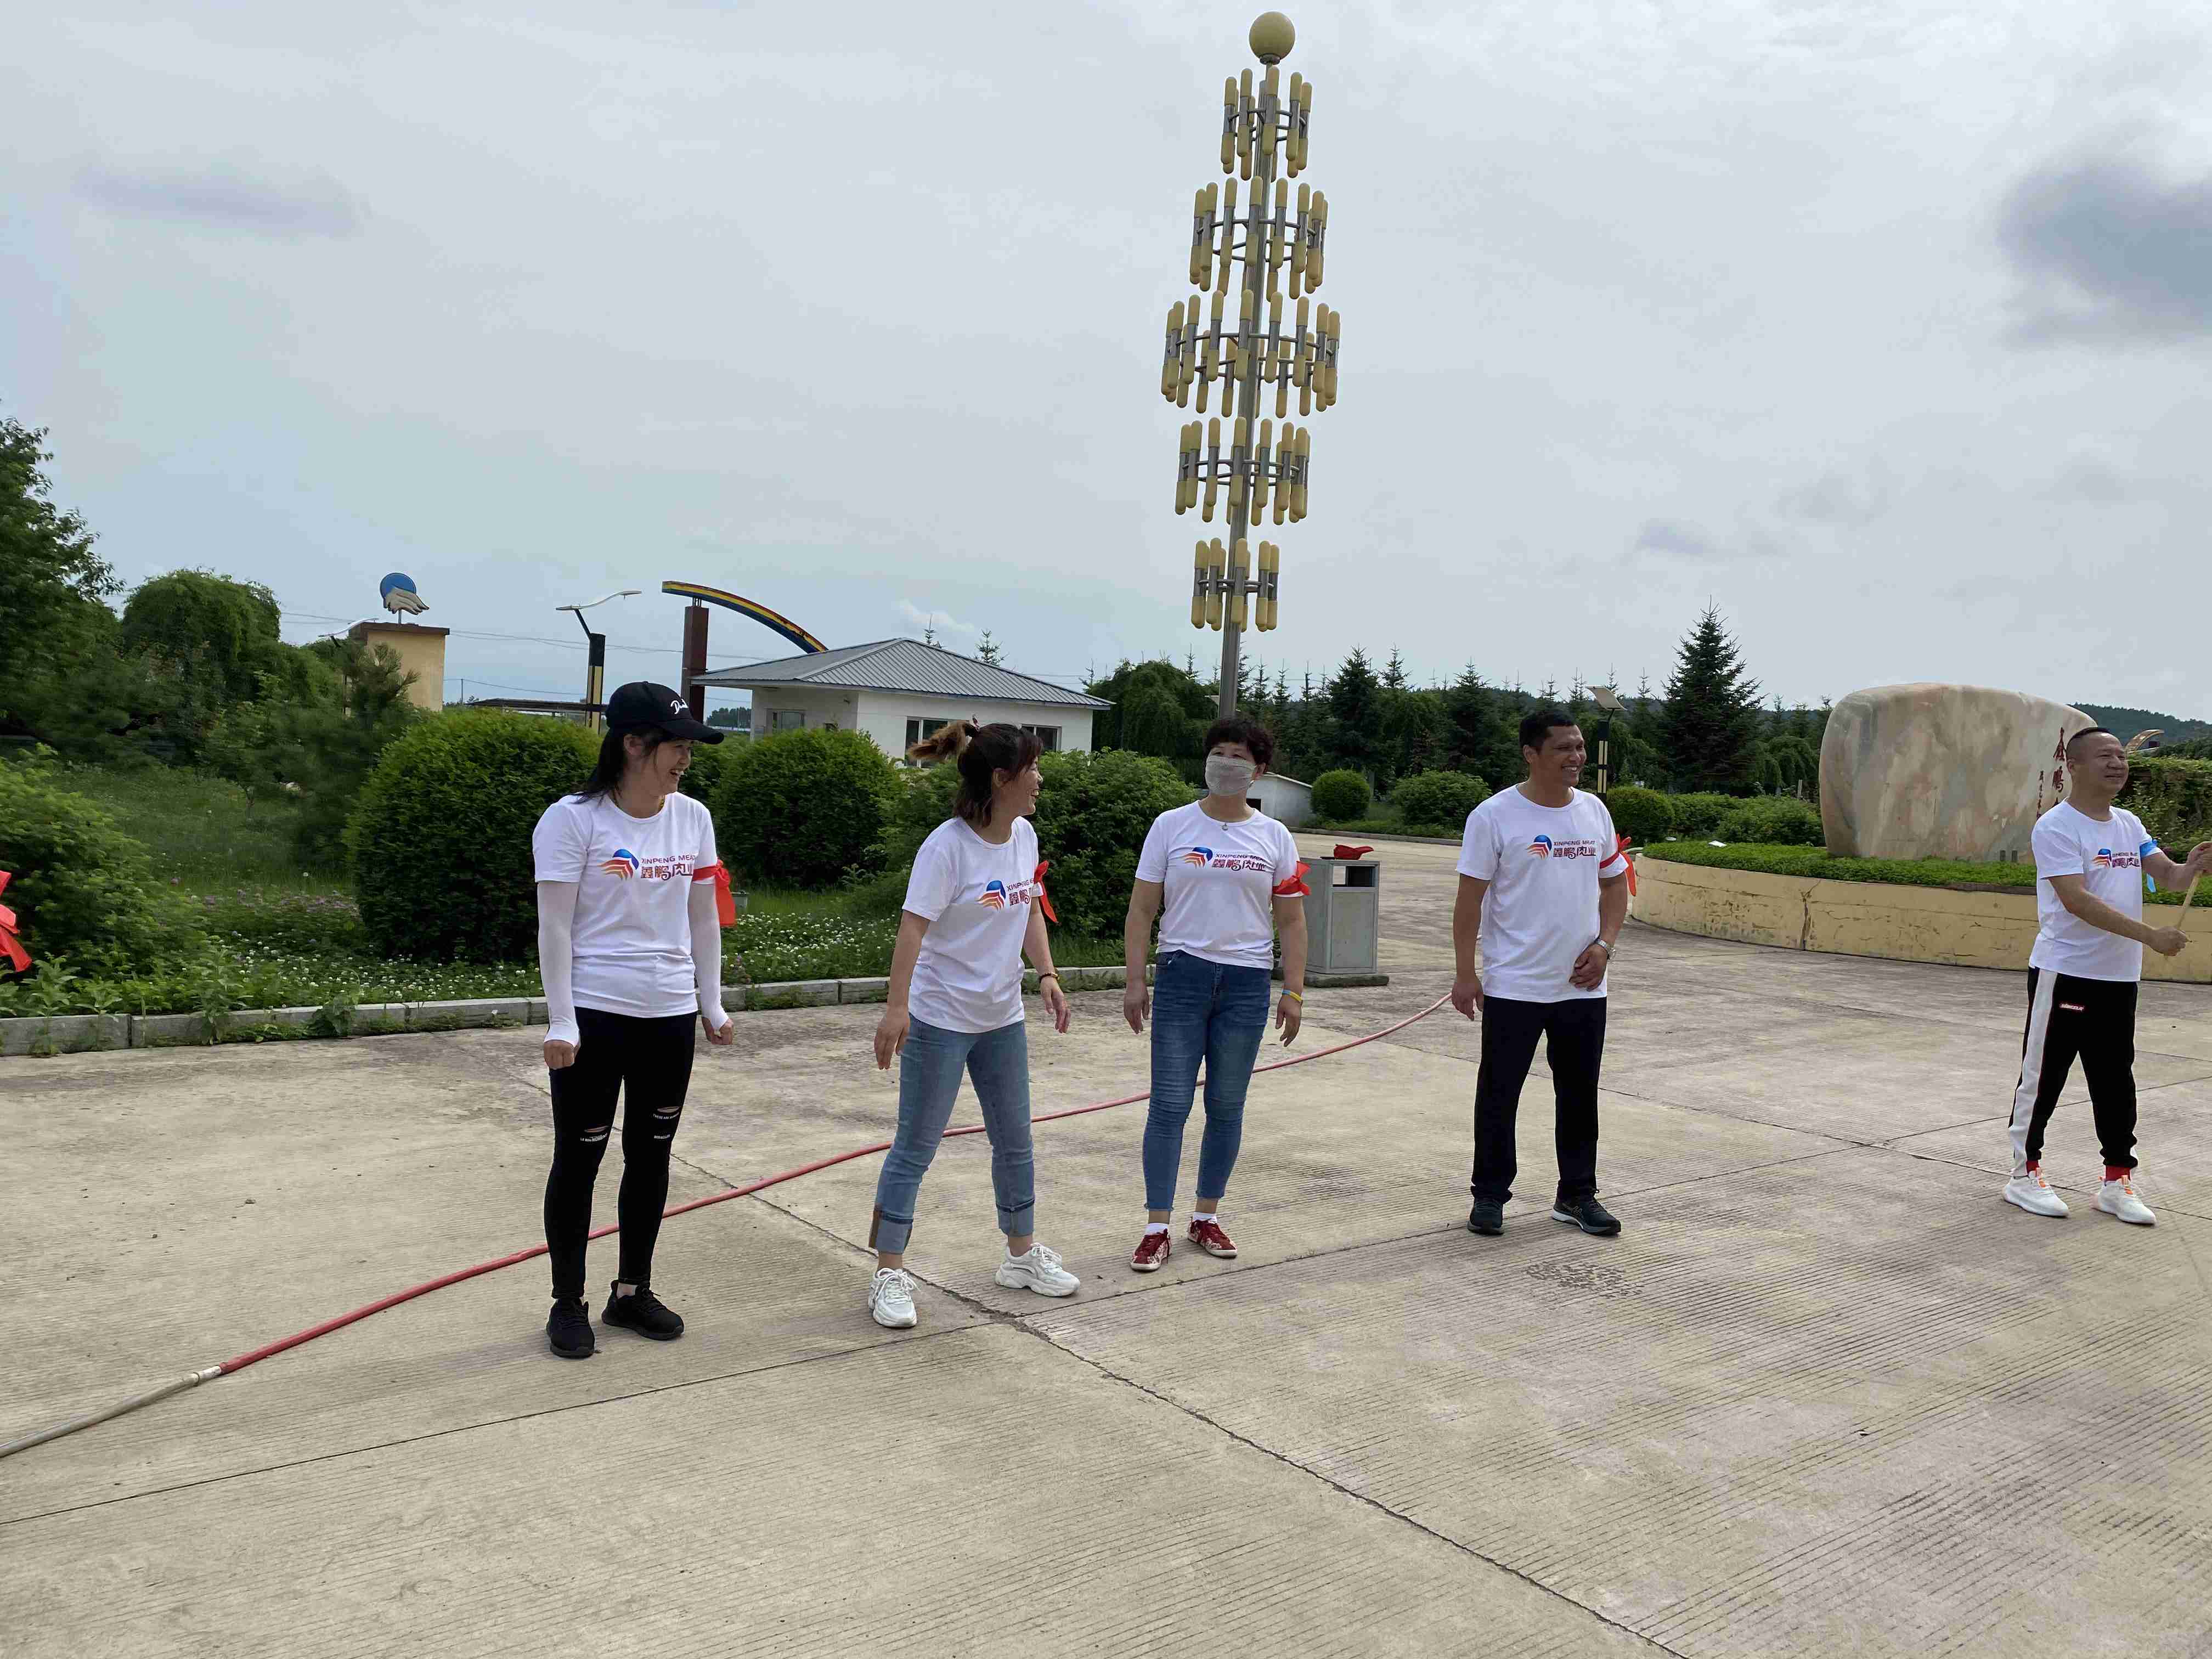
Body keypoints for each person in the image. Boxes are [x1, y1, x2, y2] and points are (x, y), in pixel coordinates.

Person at [532, 682, 735, 1360]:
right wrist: (562, 1020)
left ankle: (630, 1292)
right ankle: (568, 1302)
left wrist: (710, 1002)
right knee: (580, 1158)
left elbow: (703, 918)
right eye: (676, 747)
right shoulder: (572, 820)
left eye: (688, 748)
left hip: (668, 1016)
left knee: (651, 1156)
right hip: (596, 1014)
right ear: (632, 744)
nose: (686, 760)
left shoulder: (693, 818)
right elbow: (555, 928)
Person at [867, 719, 1078, 1329]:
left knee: (1015, 1140)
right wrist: (897, 1008)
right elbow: (913, 928)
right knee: (916, 1147)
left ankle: (1020, 1256)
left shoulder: (1024, 836)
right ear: (1001, 778)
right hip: (941, 1018)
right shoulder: (948, 847)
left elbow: (1030, 906)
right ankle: (888, 1272)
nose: (1039, 779)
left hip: (1001, 1016)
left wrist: (1046, 974)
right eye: (1032, 769)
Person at [1121, 714, 1310, 1271]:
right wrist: (1136, 980)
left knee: (1226, 1106)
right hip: (1183, 975)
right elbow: (1142, 909)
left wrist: (1294, 990)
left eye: (1239, 756)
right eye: (1219, 752)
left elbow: (1292, 920)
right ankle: (1156, 1226)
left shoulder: (1274, 836)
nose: (1226, 763)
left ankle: (1206, 1216)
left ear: (1259, 771)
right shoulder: (1171, 826)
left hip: (1246, 985)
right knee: (1169, 1105)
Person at [2002, 726, 2210, 1225]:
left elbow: (2168, 876)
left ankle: (2117, 1181)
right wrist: (2150, 936)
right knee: (2044, 1077)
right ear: (2073, 765)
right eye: (2105, 756)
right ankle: (2023, 1175)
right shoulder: (2056, 827)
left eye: (2121, 755)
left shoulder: (2129, 824)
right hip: (2066, 973)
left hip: (2119, 978)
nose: (2118, 763)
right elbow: (2076, 900)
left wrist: (2194, 865)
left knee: (2116, 1080)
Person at [1451, 708, 1631, 1239]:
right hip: (1515, 984)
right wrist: (1466, 974)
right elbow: (1469, 902)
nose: (1577, 757)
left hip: (1583, 986)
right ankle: (1489, 1196)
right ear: (1531, 754)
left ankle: (1577, 1195)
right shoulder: (1494, 816)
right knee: (1499, 1094)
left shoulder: (1594, 811)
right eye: (1563, 748)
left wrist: (1605, 946)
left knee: (1579, 1095)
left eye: (1579, 746)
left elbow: (1615, 885)